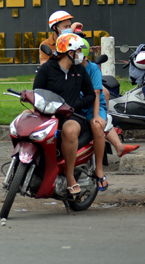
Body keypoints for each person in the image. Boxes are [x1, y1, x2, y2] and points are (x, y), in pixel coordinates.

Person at [33, 33, 96, 195]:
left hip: (72, 116)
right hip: (48, 114)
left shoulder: (80, 70)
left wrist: (74, 106)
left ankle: (69, 176)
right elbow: (37, 92)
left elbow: (91, 95)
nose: (81, 54)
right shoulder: (47, 69)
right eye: (78, 50)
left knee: (69, 131)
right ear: (69, 52)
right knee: (24, 122)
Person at [78, 37, 139, 163]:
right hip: (76, 104)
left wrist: (100, 115)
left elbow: (97, 93)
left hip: (90, 105)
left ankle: (99, 167)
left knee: (100, 123)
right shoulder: (68, 68)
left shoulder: (92, 68)